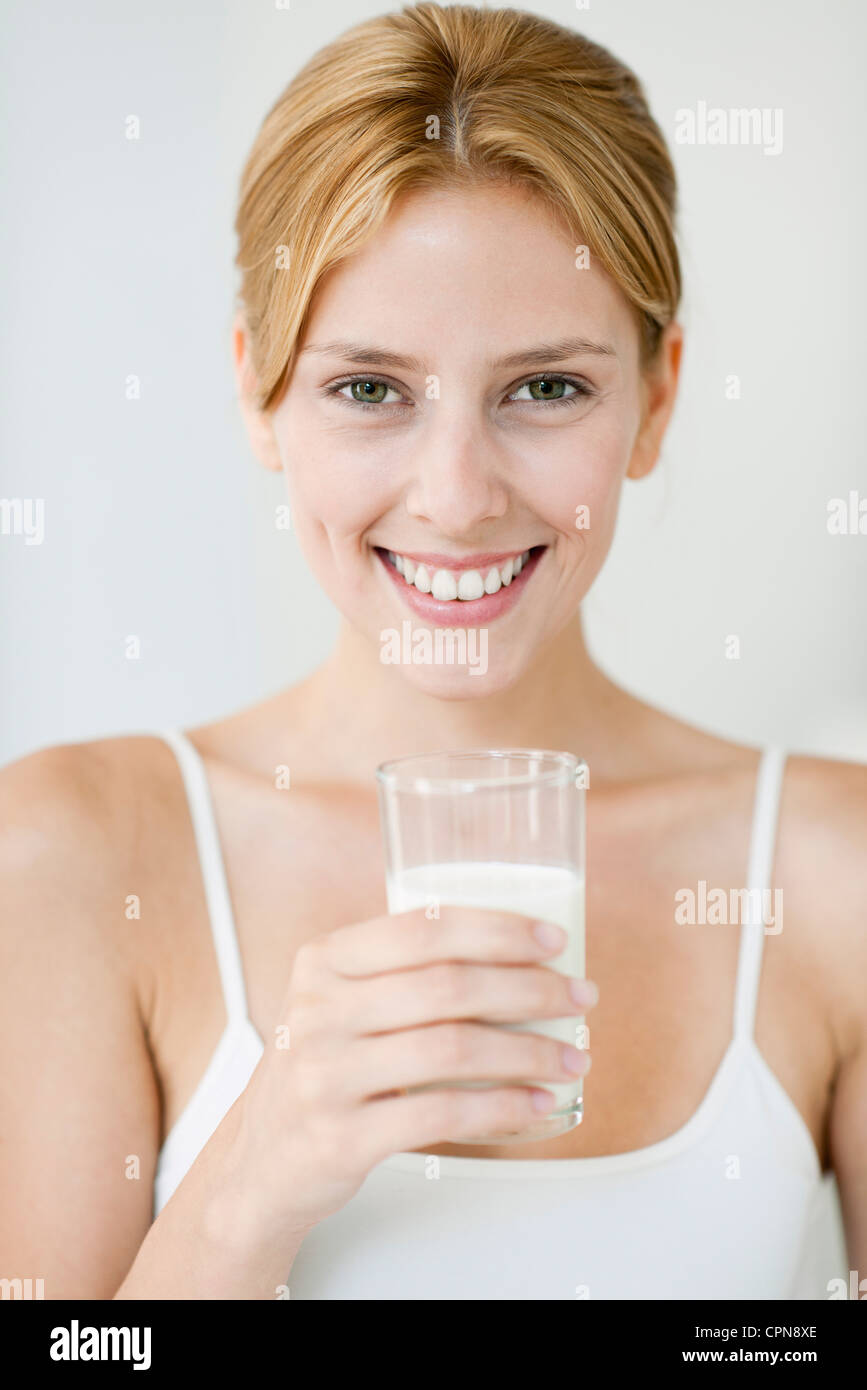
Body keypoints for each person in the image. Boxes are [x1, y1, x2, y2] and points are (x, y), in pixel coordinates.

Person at [1, 2, 864, 1300]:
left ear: (658, 396)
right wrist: (254, 1175)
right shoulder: (73, 851)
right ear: (258, 394)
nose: (457, 495)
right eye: (368, 389)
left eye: (546, 386)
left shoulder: (833, 868)